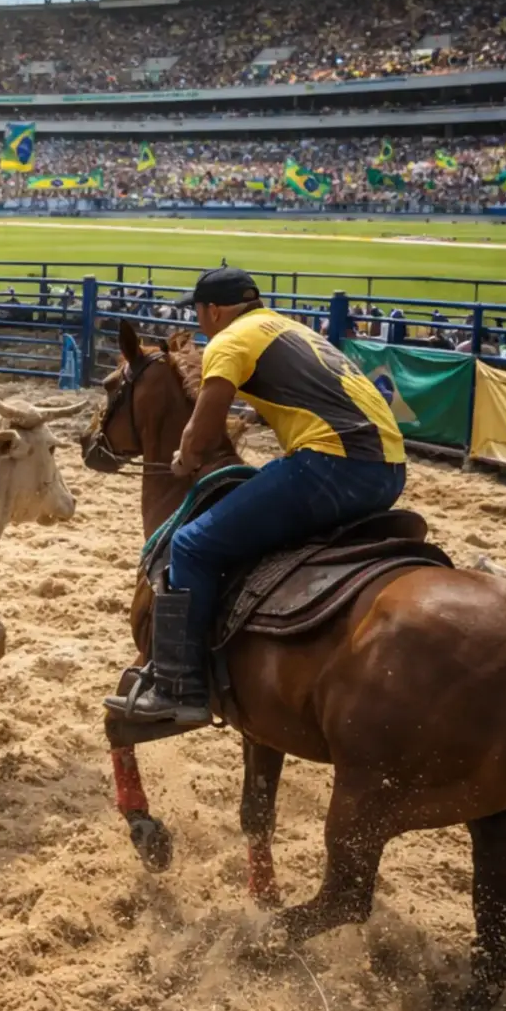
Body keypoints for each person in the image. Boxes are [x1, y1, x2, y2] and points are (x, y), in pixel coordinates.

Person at [105, 267, 407, 732]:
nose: (198, 321)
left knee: (191, 545)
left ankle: (179, 689)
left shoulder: (229, 341)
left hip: (330, 466)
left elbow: (202, 432)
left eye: (198, 311)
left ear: (214, 310)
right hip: (389, 470)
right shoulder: (288, 329)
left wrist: (186, 458)